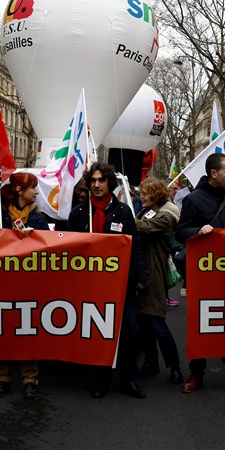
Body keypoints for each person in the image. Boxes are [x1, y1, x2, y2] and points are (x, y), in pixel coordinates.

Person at [175, 153, 225, 394]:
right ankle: (196, 374)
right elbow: (180, 232)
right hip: (203, 277)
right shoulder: (194, 199)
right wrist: (197, 230)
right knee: (201, 324)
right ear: (214, 174)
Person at [67, 162, 148, 399]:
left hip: (123, 286)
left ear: (109, 183)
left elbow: (136, 247)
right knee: (98, 333)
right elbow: (70, 251)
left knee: (130, 332)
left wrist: (141, 277)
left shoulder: (123, 212)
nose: (96, 184)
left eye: (101, 180)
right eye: (92, 180)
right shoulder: (78, 213)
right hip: (92, 286)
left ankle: (128, 379)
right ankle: (101, 379)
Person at [0, 171, 49, 400]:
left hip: (28, 286)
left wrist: (34, 239)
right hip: (1, 283)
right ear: (20, 191)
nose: (37, 192)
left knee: (28, 331)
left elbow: (50, 250)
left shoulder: (39, 218)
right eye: (33, 188)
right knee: (3, 331)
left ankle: (30, 379)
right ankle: (2, 378)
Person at [135, 178, 184, 385]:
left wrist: (123, 219)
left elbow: (142, 228)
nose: (141, 196)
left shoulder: (165, 217)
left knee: (157, 322)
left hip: (154, 274)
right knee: (145, 323)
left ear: (156, 195)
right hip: (142, 271)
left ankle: (175, 367)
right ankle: (151, 363)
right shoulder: (147, 211)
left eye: (145, 193)